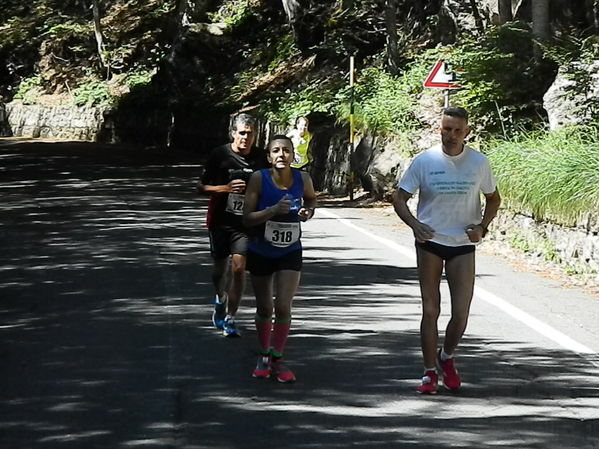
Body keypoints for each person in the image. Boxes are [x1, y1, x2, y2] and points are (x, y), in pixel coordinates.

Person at [392, 107, 501, 394]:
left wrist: (482, 226)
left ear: (466, 132)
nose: (451, 135)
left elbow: (493, 199)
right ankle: (429, 372)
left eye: (457, 130)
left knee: (461, 313)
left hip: (463, 244)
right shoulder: (425, 161)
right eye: (446, 129)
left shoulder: (478, 162)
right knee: (431, 309)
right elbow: (399, 198)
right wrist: (415, 225)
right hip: (430, 241)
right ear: (439, 129)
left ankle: (446, 356)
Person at [242, 135, 317, 383]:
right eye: (276, 150)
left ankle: (278, 358)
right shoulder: (258, 179)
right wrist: (272, 211)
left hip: (290, 250)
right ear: (269, 157)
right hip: (261, 249)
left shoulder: (302, 178)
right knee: (265, 307)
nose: (281, 155)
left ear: (293, 155)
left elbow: (311, 199)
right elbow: (247, 218)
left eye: (286, 150)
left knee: (283, 304)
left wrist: (308, 211)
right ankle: (264, 355)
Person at [196, 113, 268, 337]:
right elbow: (201, 187)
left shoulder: (261, 158)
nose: (246, 137)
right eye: (242, 133)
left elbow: (271, 185)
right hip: (220, 220)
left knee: (238, 269)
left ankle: (231, 318)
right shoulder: (220, 155)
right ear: (233, 134)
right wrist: (225, 189)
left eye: (250, 133)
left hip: (246, 223)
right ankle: (220, 299)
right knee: (219, 271)